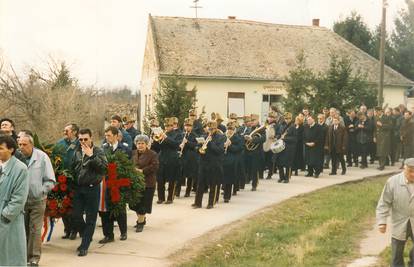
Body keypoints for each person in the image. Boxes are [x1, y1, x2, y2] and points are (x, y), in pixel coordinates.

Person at [18, 134, 55, 266]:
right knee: (22, 229)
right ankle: (23, 256)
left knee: (34, 229)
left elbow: (51, 180)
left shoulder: (42, 157)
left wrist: (41, 190)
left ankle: (34, 258)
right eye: (20, 144)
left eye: (24, 145)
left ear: (32, 145)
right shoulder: (17, 157)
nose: (21, 147)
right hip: (20, 201)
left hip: (37, 201)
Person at [71, 128, 108, 256]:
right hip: (78, 188)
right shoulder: (76, 151)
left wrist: (91, 156)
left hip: (92, 187)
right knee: (76, 216)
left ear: (91, 138)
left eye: (85, 139)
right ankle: (87, 234)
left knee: (91, 218)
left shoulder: (98, 151)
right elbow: (73, 168)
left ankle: (84, 245)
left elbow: (104, 168)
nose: (83, 141)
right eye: (80, 139)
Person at [376, 158, 414, 267]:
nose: (413, 174)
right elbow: (384, 203)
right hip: (400, 222)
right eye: (410, 171)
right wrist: (382, 221)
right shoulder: (393, 182)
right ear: (404, 169)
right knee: (396, 254)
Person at [98, 127, 131, 244]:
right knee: (105, 210)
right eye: (106, 135)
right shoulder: (103, 148)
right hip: (106, 183)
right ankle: (108, 235)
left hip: (118, 183)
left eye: (109, 135)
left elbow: (128, 166)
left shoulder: (125, 149)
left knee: (119, 208)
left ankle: (123, 232)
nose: (107, 138)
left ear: (117, 136)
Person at [0, 135, 29, 267]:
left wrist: (4, 215)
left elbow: (19, 199)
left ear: (11, 149)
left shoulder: (20, 169)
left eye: (0, 148)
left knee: (10, 256)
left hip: (8, 220)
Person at [55, 123, 81, 240]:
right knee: (63, 205)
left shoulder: (80, 143)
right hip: (62, 179)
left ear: (74, 132)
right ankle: (67, 229)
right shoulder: (60, 143)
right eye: (64, 130)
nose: (64, 132)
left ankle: (75, 229)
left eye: (67, 130)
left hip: (75, 180)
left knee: (75, 207)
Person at [192, 120, 225, 209]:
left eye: (212, 129)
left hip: (214, 163)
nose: (210, 131)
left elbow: (220, 150)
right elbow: (197, 147)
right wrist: (199, 148)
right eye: (209, 129)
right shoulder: (203, 136)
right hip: (203, 162)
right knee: (200, 183)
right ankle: (197, 203)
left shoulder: (221, 137)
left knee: (213, 184)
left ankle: (211, 203)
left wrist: (210, 143)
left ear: (216, 128)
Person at [130, 135, 159, 232]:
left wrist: (142, 171)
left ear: (147, 144)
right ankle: (141, 218)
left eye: (142, 143)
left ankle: (140, 223)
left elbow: (154, 166)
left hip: (148, 183)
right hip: (135, 182)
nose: (140, 145)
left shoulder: (152, 154)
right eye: (138, 143)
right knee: (134, 204)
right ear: (136, 144)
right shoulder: (133, 153)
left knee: (143, 204)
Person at [154, 118, 182, 204]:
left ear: (173, 126)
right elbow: (157, 147)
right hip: (162, 158)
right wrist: (156, 140)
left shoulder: (178, 134)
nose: (167, 127)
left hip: (172, 158)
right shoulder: (162, 134)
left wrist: (165, 137)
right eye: (166, 126)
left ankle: (170, 198)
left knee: (172, 179)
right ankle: (161, 198)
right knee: (160, 179)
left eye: (169, 126)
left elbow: (176, 145)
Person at [222, 121, 243, 202]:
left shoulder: (238, 138)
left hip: (232, 160)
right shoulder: (223, 136)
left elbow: (239, 149)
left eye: (232, 129)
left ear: (235, 129)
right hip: (223, 159)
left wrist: (230, 145)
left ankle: (227, 197)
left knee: (229, 179)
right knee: (222, 178)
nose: (230, 130)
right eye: (229, 129)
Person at [244, 114, 265, 191]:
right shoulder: (250, 129)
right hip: (249, 151)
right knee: (248, 167)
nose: (252, 122)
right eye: (251, 120)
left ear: (257, 120)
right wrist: (245, 138)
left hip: (257, 152)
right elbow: (246, 137)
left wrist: (252, 140)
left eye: (253, 120)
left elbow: (263, 138)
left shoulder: (261, 129)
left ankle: (254, 184)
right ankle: (248, 179)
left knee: (255, 169)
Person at [178, 118, 199, 197]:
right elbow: (177, 143)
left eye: (189, 126)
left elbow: (195, 146)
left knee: (190, 176)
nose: (187, 127)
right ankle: (177, 191)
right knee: (180, 174)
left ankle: (188, 191)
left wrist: (187, 142)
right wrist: (179, 145)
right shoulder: (181, 134)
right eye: (186, 126)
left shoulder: (195, 135)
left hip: (190, 158)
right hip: (182, 156)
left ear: (192, 127)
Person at [275, 112, 297, 183]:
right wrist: (277, 137)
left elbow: (295, 139)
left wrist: (285, 138)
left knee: (287, 164)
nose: (287, 120)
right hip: (281, 147)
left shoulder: (293, 127)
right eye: (286, 118)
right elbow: (279, 133)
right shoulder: (282, 125)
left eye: (288, 118)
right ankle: (281, 177)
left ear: (291, 118)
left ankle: (287, 178)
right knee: (279, 163)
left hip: (289, 147)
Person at [263, 111, 277, 180]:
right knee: (264, 159)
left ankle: (270, 174)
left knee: (270, 161)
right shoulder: (265, 124)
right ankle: (261, 173)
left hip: (272, 144)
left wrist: (275, 137)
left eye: (272, 117)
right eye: (270, 117)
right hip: (265, 144)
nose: (270, 119)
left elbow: (278, 134)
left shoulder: (276, 125)